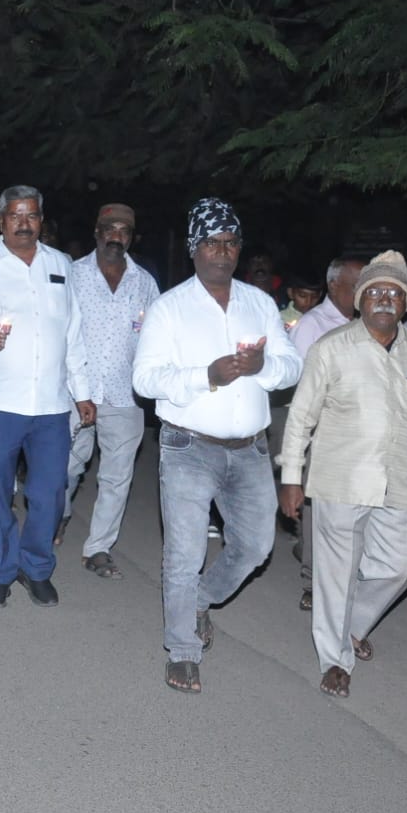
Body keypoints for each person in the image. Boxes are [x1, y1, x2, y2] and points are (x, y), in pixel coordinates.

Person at [132, 198, 302, 694]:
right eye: (211, 242)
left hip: (249, 448)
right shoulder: (170, 307)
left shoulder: (260, 303)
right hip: (189, 447)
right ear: (194, 248)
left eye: (230, 242)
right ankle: (183, 648)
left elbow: (292, 366)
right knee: (184, 553)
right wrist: (204, 376)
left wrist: (262, 368)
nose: (222, 252)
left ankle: (200, 600)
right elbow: (144, 379)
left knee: (255, 546)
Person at [279, 252, 407, 697]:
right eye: (375, 292)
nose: (385, 300)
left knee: (399, 568)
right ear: (359, 300)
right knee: (335, 572)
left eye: (394, 293)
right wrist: (291, 477)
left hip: (401, 479)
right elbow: (300, 419)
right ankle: (335, 659)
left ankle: (351, 625)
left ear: (405, 303)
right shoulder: (332, 348)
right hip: (340, 479)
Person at [0, 186, 94, 609]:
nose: (24, 223)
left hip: (51, 405)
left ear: (41, 219)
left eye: (31, 215)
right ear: (1, 221)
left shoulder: (60, 264)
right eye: (15, 215)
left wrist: (82, 392)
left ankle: (35, 568)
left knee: (49, 492)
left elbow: (73, 334)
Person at [64, 204, 160, 579]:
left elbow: (155, 338)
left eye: (123, 230)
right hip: (76, 391)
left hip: (125, 395)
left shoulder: (145, 283)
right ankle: (58, 515)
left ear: (131, 237)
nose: (115, 236)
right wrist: (76, 389)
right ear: (97, 231)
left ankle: (98, 548)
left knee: (117, 477)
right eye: (109, 228)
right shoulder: (73, 275)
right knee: (67, 468)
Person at [285, 254, 367, 609]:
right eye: (358, 285)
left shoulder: (369, 325)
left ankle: (341, 570)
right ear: (334, 286)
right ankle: (311, 582)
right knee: (318, 510)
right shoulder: (313, 326)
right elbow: (298, 385)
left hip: (359, 435)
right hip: (320, 434)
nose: (367, 293)